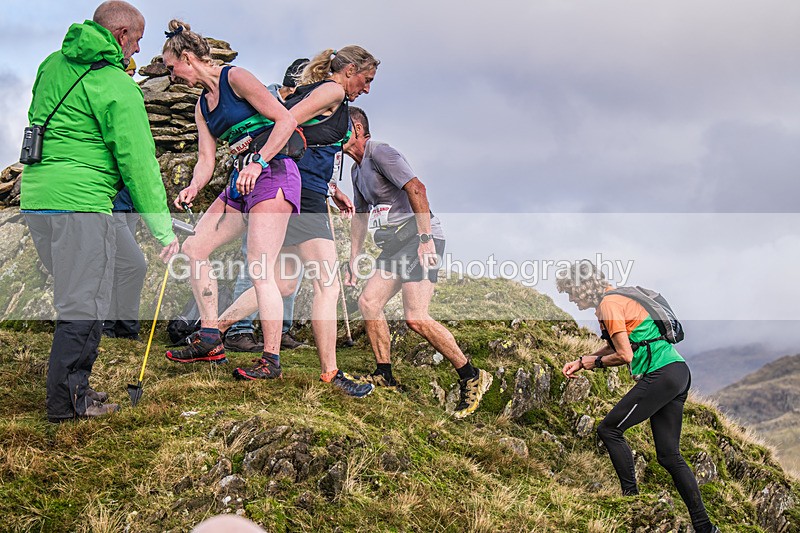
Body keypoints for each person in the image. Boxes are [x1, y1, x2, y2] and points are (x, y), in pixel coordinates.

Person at [20, 0, 178, 422]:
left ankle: (75, 387)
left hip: (36, 198)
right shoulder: (116, 85)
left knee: (80, 295)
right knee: (84, 303)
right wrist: (163, 230)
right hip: (82, 204)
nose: (140, 52)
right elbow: (139, 163)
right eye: (139, 40)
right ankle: (67, 405)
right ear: (121, 35)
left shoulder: (51, 64)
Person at [221, 46, 378, 399]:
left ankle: (211, 331)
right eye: (366, 80)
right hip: (300, 192)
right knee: (328, 283)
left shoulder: (316, 92)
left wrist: (331, 188)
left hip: (296, 187)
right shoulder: (333, 90)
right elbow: (287, 121)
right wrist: (258, 158)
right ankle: (331, 372)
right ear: (350, 69)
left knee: (282, 282)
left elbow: (297, 128)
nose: (366, 88)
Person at [161, 20, 298, 374]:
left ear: (188, 58)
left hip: (274, 172)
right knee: (194, 248)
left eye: (173, 67)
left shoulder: (235, 78)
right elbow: (206, 159)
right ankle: (209, 337)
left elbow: (284, 121)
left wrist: (260, 161)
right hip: (239, 180)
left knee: (259, 265)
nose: (172, 75)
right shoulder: (201, 107)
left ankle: (271, 360)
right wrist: (192, 186)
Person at [343, 107, 493, 419]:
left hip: (419, 238)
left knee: (416, 318)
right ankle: (384, 375)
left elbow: (417, 188)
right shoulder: (356, 171)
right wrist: (353, 257)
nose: (331, 134)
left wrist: (425, 240)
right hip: (395, 243)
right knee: (369, 302)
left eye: (337, 126)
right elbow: (360, 215)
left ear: (357, 128)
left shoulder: (380, 153)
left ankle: (471, 374)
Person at [557, 260, 718, 533]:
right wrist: (583, 360)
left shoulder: (609, 304)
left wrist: (590, 364)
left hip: (662, 374)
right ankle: (706, 528)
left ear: (583, 287)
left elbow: (624, 355)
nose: (572, 299)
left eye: (572, 292)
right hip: (678, 372)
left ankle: (631, 500)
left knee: (609, 429)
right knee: (669, 456)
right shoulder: (617, 297)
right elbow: (614, 345)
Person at [224, 58, 310, 353]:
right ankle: (239, 328)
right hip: (263, 180)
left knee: (287, 262)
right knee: (256, 258)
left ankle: (280, 329)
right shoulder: (268, 99)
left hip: (293, 185)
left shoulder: (303, 107)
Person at [102, 57, 146, 340]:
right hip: (112, 206)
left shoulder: (129, 102)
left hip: (127, 205)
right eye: (128, 72)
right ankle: (120, 328)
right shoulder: (111, 102)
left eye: (132, 73)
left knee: (118, 265)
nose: (131, 77)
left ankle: (116, 327)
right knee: (133, 264)